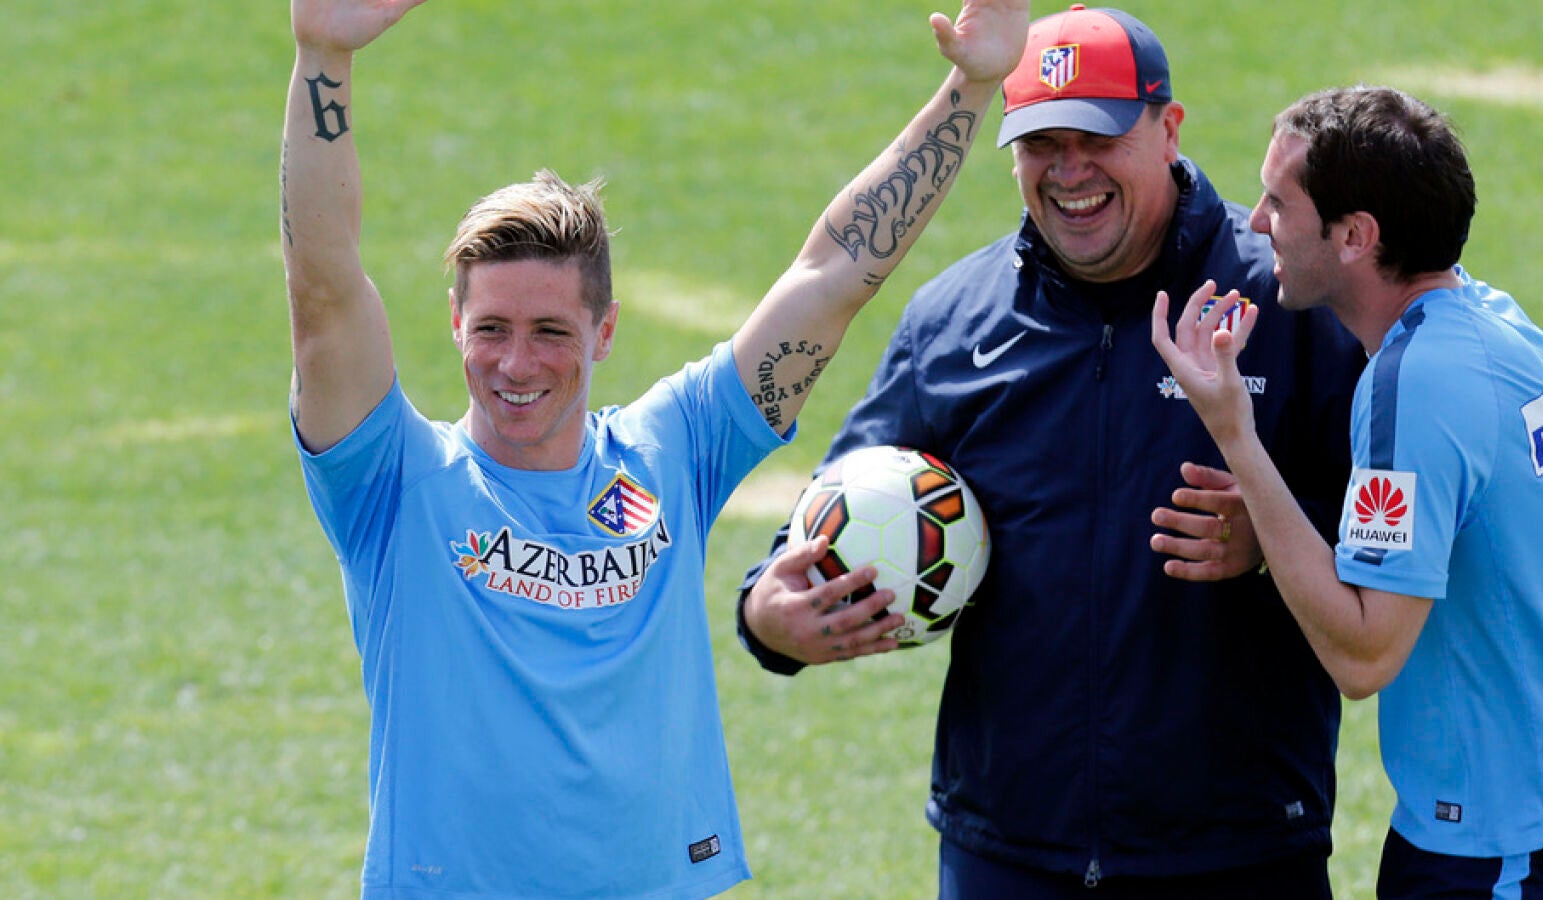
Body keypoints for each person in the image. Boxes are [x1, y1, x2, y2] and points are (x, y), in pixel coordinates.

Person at [278, 0, 1030, 896]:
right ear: (454, 324)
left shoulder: (673, 449)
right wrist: (323, 56)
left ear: (604, 332)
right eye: (491, 329)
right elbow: (323, 293)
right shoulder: (391, 480)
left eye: (551, 331)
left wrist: (972, 85)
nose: (517, 364)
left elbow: (833, 275)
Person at [734, 5, 1368, 897]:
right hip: (1008, 853)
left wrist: (1271, 538)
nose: (1069, 172)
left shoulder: (1285, 302)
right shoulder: (953, 323)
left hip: (1238, 851)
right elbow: (833, 512)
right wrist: (768, 616)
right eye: (1039, 144)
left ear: (1168, 129)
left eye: (1096, 139)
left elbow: (1397, 553)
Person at [1152, 85, 1543, 898]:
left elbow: (1363, 653)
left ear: (1355, 235)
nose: (1256, 223)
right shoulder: (1493, 319)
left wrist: (1233, 433)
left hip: (1501, 850)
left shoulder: (1414, 383)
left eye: (1279, 203)